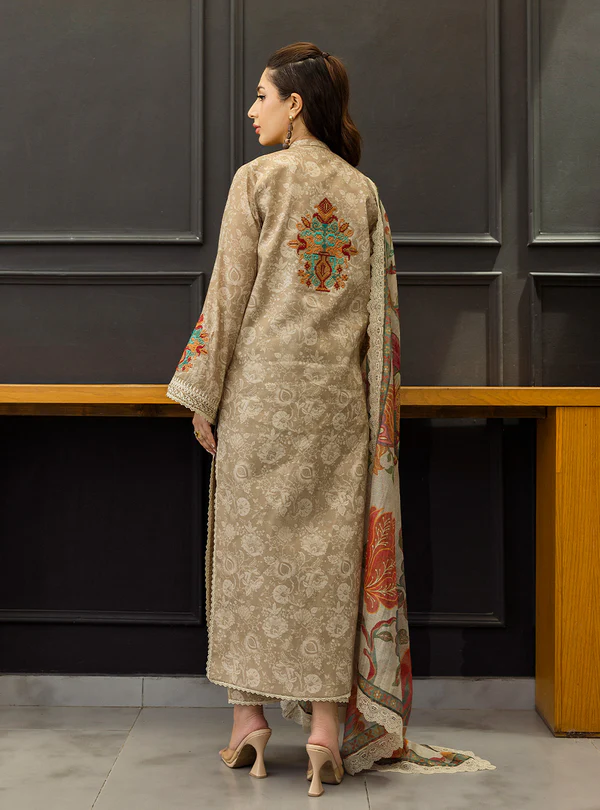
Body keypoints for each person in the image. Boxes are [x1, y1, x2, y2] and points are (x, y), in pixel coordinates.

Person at [167, 41, 495, 796]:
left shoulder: (256, 181)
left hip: (260, 403)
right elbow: (380, 320)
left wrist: (201, 395)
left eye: (262, 96)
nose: (252, 110)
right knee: (328, 567)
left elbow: (228, 295)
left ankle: (248, 724)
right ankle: (323, 731)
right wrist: (378, 417)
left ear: (295, 104)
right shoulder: (362, 192)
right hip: (339, 410)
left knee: (250, 562)